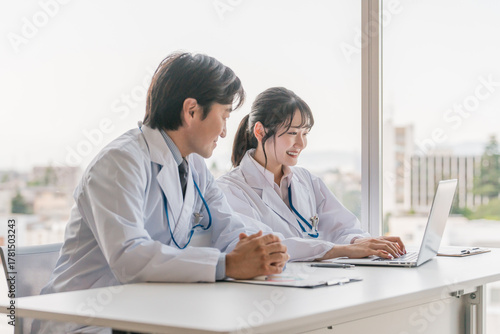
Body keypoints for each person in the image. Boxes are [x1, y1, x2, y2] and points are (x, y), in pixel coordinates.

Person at [34, 53, 288, 334]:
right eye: (224, 116)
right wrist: (226, 264)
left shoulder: (195, 167)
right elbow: (130, 258)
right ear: (191, 111)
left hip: (143, 317)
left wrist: (263, 250)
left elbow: (230, 229)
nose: (226, 132)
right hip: (86, 322)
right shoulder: (121, 161)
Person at [217, 87, 406, 261]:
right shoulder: (231, 189)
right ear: (260, 131)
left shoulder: (307, 181)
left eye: (305, 133)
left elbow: (344, 228)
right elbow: (264, 246)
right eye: (292, 133)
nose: (301, 143)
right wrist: (340, 250)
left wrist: (362, 243)